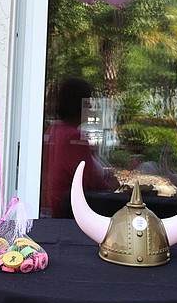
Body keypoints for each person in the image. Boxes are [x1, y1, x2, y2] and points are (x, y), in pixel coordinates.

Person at [40, 77, 119, 218]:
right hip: (69, 212)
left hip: (55, 208)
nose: (90, 108)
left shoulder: (55, 129)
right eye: (87, 102)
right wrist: (112, 186)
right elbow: (89, 180)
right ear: (78, 105)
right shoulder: (73, 137)